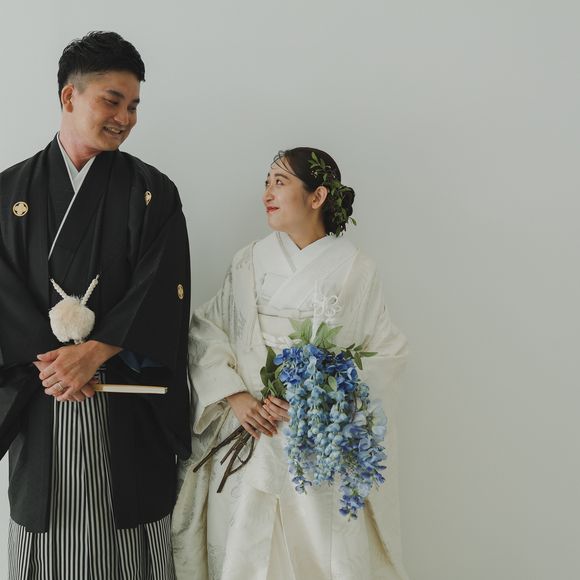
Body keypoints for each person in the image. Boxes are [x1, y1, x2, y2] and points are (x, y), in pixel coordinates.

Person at [0, 31, 191, 579]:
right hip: (43, 397)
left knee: (129, 540)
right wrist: (56, 364)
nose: (125, 118)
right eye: (113, 101)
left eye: (133, 106)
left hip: (127, 403)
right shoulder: (9, 192)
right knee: (50, 542)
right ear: (70, 96)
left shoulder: (153, 191)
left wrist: (98, 349)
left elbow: (164, 287)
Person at [172, 148, 410, 580]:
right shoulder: (248, 260)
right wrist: (237, 396)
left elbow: (385, 354)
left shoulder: (356, 270)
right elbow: (208, 329)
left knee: (315, 555)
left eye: (280, 183)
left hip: (315, 440)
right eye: (266, 182)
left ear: (317, 196)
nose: (267, 193)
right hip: (249, 425)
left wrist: (319, 390)